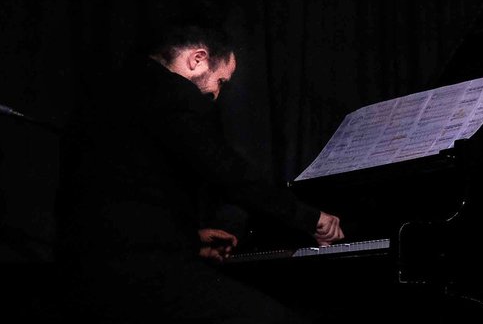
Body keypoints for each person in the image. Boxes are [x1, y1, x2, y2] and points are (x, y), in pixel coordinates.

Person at [56, 16, 343, 323]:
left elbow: (124, 192)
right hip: (139, 274)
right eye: (221, 81)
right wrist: (312, 219)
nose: (217, 95)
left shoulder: (112, 89)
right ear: (197, 59)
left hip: (82, 270)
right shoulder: (176, 96)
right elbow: (230, 175)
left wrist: (189, 238)